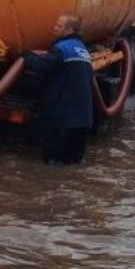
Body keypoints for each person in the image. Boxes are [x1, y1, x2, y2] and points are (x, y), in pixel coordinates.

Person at [29, 12, 95, 165]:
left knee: (52, 165)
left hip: (62, 121)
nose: (54, 28)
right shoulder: (82, 49)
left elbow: (41, 65)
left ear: (69, 30)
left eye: (59, 26)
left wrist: (25, 54)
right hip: (83, 122)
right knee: (72, 165)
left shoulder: (61, 49)